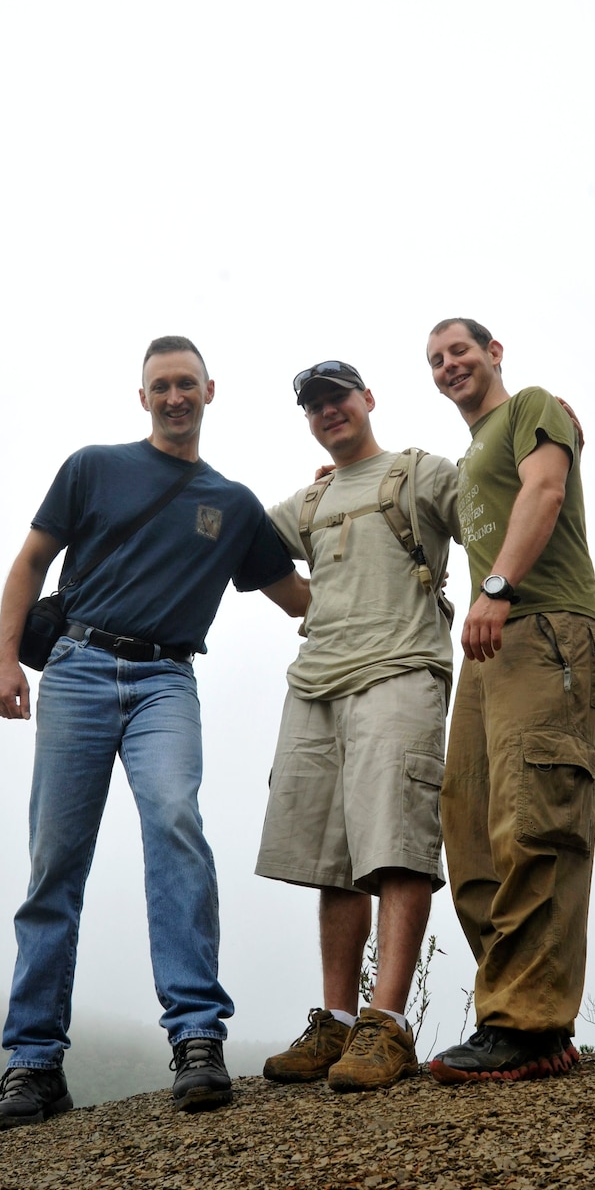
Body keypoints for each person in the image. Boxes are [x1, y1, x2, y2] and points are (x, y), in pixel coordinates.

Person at [0, 335, 308, 1129]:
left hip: (167, 678)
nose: (174, 397)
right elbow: (30, 561)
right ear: (142, 398)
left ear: (209, 391)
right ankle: (33, 1064)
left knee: (175, 824)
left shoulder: (232, 506)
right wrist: (6, 662)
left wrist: (345, 509)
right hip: (79, 667)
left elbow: (298, 598)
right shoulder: (93, 465)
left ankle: (197, 1037)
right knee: (55, 858)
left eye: (186, 384)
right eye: (160, 385)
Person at [256, 360, 460, 1092]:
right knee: (332, 856)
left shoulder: (416, 474)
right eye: (313, 404)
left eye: (337, 397)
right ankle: (338, 1022)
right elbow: (241, 544)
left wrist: (549, 438)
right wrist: (294, 599)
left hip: (401, 668)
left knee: (398, 843)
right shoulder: (306, 501)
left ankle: (387, 1024)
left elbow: (492, 502)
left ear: (368, 399)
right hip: (317, 683)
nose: (327, 411)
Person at [423, 318, 595, 1084]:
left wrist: (497, 587)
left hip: (543, 627)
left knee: (539, 818)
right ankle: (519, 1008)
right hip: (488, 647)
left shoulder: (533, 404)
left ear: (494, 353)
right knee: (468, 829)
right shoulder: (472, 453)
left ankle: (528, 1023)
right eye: (435, 360)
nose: (448, 365)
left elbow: (545, 486)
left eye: (459, 350)